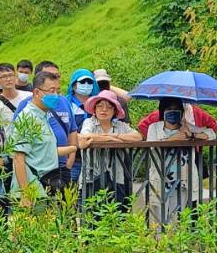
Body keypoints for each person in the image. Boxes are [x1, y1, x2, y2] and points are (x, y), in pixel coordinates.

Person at [8, 67, 75, 207]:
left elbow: (43, 152)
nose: (56, 95)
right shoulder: (28, 118)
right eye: (51, 91)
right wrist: (26, 195)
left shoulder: (43, 116)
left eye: (58, 91)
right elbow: (18, 158)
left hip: (46, 188)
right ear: (37, 92)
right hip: (33, 192)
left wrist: (73, 148)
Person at [143, 97, 209, 225]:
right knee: (158, 218)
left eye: (176, 109)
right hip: (161, 178)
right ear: (163, 111)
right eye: (169, 109)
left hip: (182, 179)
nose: (173, 112)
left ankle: (176, 242)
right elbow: (152, 146)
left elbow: (211, 134)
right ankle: (159, 243)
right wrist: (174, 139)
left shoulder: (188, 128)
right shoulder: (154, 128)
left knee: (178, 217)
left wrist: (192, 135)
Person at [78, 88, 142, 210]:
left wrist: (114, 135)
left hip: (116, 178)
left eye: (109, 107)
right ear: (94, 109)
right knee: (92, 218)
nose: (104, 110)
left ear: (115, 111)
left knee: (117, 217)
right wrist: (114, 141)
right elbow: (86, 137)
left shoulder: (120, 125)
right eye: (100, 106)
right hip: (91, 177)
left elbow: (137, 137)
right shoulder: (89, 122)